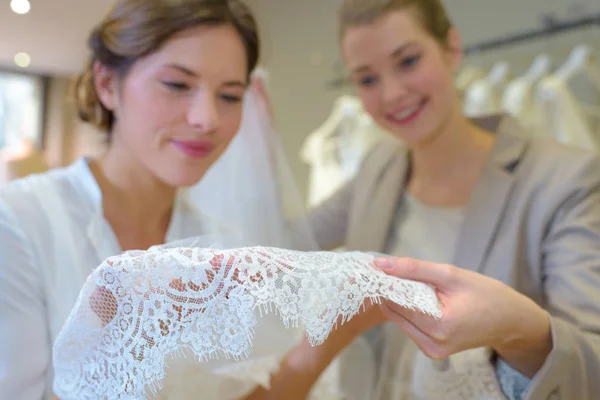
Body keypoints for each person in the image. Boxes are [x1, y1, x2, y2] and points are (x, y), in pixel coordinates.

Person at [0, 1, 382, 399]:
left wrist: (333, 336)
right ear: (108, 85)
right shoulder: (20, 223)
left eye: (230, 96)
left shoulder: (221, 246)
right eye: (177, 85)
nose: (207, 119)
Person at [308, 0, 600, 399]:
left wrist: (515, 328)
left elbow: (592, 362)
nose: (392, 93)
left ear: (452, 48)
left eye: (408, 61)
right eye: (367, 79)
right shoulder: (379, 167)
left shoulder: (562, 179)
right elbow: (286, 237)